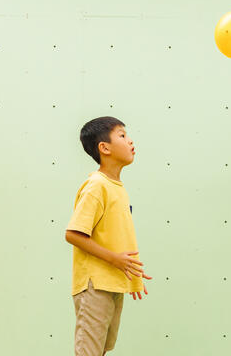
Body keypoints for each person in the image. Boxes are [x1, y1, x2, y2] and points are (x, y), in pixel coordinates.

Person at [65, 116, 152, 356]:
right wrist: (115, 260)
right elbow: (73, 234)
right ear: (104, 148)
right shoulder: (96, 185)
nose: (130, 140)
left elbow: (120, 238)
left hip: (112, 283)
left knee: (102, 349)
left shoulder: (117, 188)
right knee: (89, 352)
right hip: (95, 284)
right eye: (122, 135)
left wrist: (132, 276)